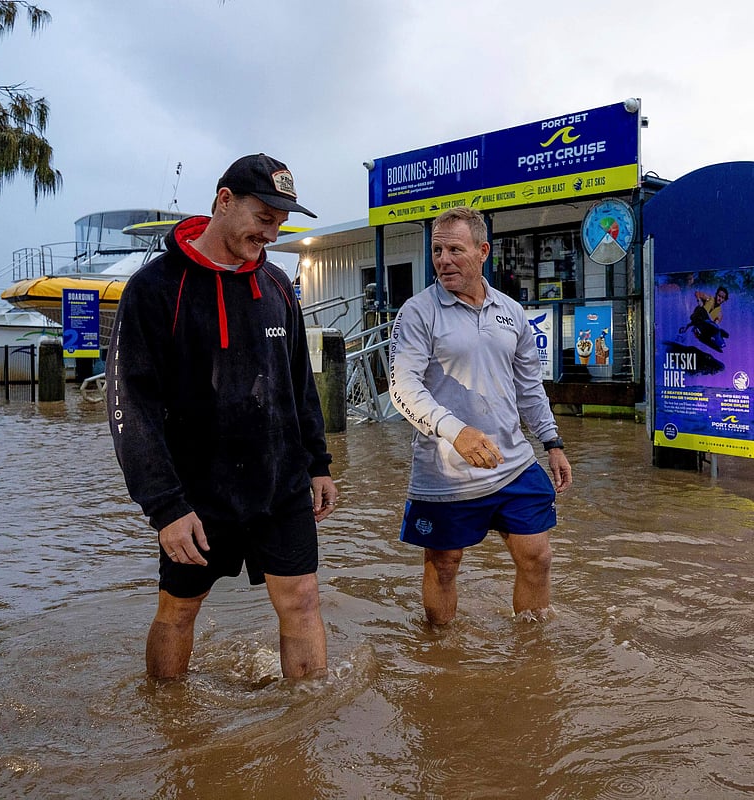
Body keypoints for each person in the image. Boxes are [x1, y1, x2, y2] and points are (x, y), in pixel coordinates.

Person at [107, 153, 338, 680]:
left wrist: (318, 463)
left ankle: (309, 734)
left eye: (280, 224)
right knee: (179, 611)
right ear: (224, 201)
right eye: (264, 218)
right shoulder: (154, 288)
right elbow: (129, 407)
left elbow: (300, 381)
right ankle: (169, 724)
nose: (272, 234)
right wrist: (165, 507)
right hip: (197, 494)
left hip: (280, 484)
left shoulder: (278, 286)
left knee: (302, 601)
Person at [389, 206, 572, 625]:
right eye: (437, 250)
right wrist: (456, 432)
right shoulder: (418, 312)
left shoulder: (511, 312)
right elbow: (402, 389)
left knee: (537, 555)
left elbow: (529, 387)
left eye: (455, 249)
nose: (443, 259)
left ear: (482, 251)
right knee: (444, 564)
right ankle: (440, 654)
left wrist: (552, 442)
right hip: (446, 470)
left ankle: (534, 653)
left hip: (513, 462)